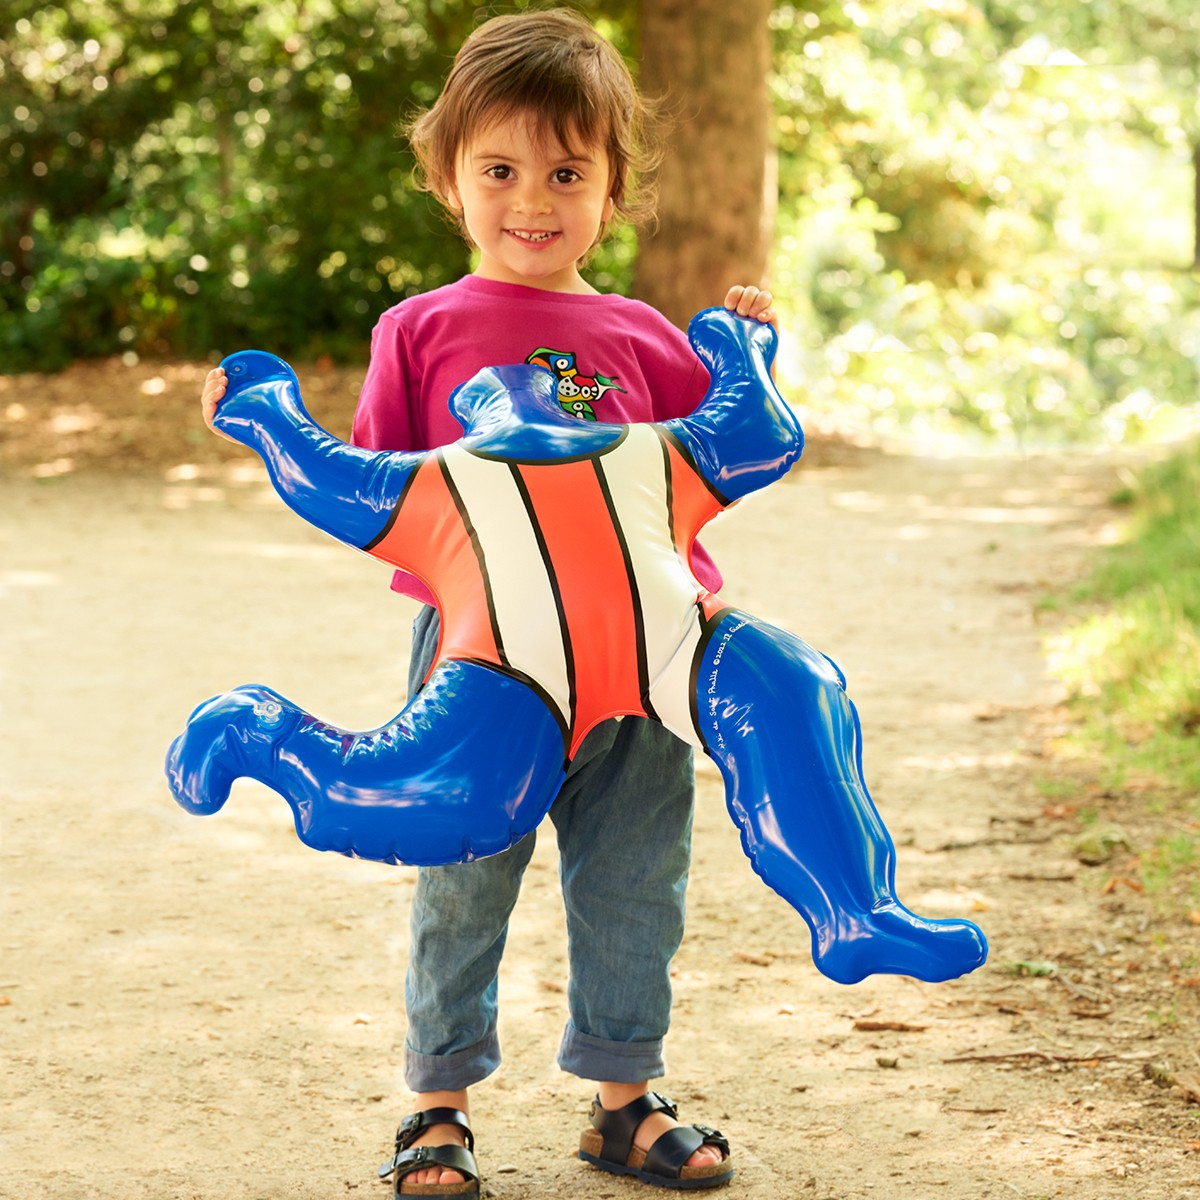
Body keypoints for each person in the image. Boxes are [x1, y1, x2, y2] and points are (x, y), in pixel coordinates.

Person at [201, 9, 774, 1195]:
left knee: (634, 875)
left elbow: (707, 467)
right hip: (482, 664)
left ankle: (624, 1099)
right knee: (464, 871)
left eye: (569, 171)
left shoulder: (639, 335)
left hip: (639, 661)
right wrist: (258, 424)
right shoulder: (419, 331)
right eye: (501, 168)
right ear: (448, 180)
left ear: (613, 190)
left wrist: (748, 354)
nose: (535, 198)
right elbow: (381, 494)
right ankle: (437, 1105)